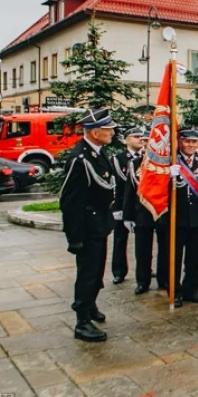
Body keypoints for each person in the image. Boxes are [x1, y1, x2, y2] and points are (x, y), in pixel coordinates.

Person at [60, 108, 118, 343]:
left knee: (97, 271)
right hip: (86, 227)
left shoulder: (97, 153)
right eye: (108, 129)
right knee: (87, 273)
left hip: (99, 224)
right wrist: (74, 237)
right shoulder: (80, 159)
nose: (112, 133)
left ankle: (91, 305)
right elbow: (69, 201)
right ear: (95, 132)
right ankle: (82, 321)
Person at [167, 129, 198, 307]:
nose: (191, 145)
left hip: (197, 218)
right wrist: (167, 176)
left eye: (194, 142)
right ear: (180, 142)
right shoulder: (172, 162)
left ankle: (191, 290)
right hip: (176, 219)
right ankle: (175, 291)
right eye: (187, 142)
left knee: (194, 257)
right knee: (175, 258)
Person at [122, 131, 170, 294]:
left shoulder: (168, 163)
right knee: (142, 249)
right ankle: (142, 281)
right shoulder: (135, 163)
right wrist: (127, 216)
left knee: (165, 248)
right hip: (142, 211)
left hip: (163, 210)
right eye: (146, 141)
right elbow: (129, 190)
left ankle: (164, 279)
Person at [110, 126, 145, 284]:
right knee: (119, 240)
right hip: (123, 204)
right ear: (126, 140)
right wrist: (117, 208)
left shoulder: (146, 158)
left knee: (143, 242)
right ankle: (119, 271)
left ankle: (145, 270)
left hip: (141, 205)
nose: (140, 139)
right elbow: (116, 185)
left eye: (141, 137)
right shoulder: (118, 159)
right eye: (135, 136)